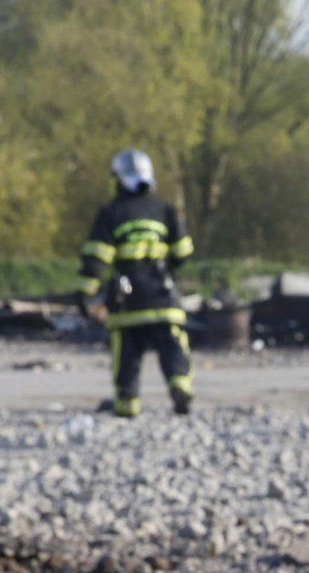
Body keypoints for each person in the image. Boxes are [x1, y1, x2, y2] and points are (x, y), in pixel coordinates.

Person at [76, 149, 194, 417]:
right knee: (173, 346)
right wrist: (166, 270)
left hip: (127, 301)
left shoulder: (111, 213)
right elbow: (184, 252)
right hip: (163, 297)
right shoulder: (165, 210)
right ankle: (180, 385)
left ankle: (127, 405)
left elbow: (96, 258)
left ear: (118, 179)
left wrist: (84, 294)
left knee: (127, 356)